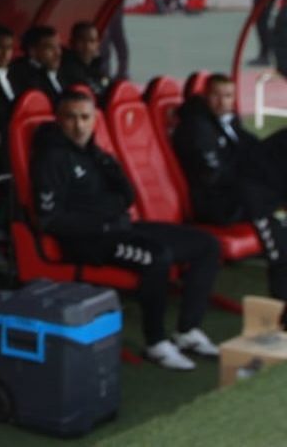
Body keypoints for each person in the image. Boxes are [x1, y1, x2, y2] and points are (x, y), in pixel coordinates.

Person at [30, 90, 222, 370]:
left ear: (95, 119)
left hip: (120, 228)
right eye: (71, 118)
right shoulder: (51, 159)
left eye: (85, 117)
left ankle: (187, 331)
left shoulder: (95, 154)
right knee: (157, 257)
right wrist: (103, 220)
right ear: (58, 120)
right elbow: (50, 220)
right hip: (88, 241)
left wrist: (111, 205)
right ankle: (155, 343)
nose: (79, 125)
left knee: (207, 245)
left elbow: (127, 196)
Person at [171, 74, 287, 305]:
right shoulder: (196, 126)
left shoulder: (227, 122)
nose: (222, 102)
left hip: (243, 189)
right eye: (216, 95)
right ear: (205, 96)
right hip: (219, 202)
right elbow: (211, 175)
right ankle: (281, 297)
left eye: (228, 96)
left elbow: (249, 146)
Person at [9, 25, 64, 104]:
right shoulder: (21, 74)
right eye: (50, 48)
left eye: (58, 46)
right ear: (33, 51)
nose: (58, 53)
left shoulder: (64, 70)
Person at [58, 22, 111, 102]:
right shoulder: (67, 68)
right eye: (82, 40)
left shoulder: (98, 66)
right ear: (71, 42)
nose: (87, 46)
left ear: (98, 44)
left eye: (92, 41)